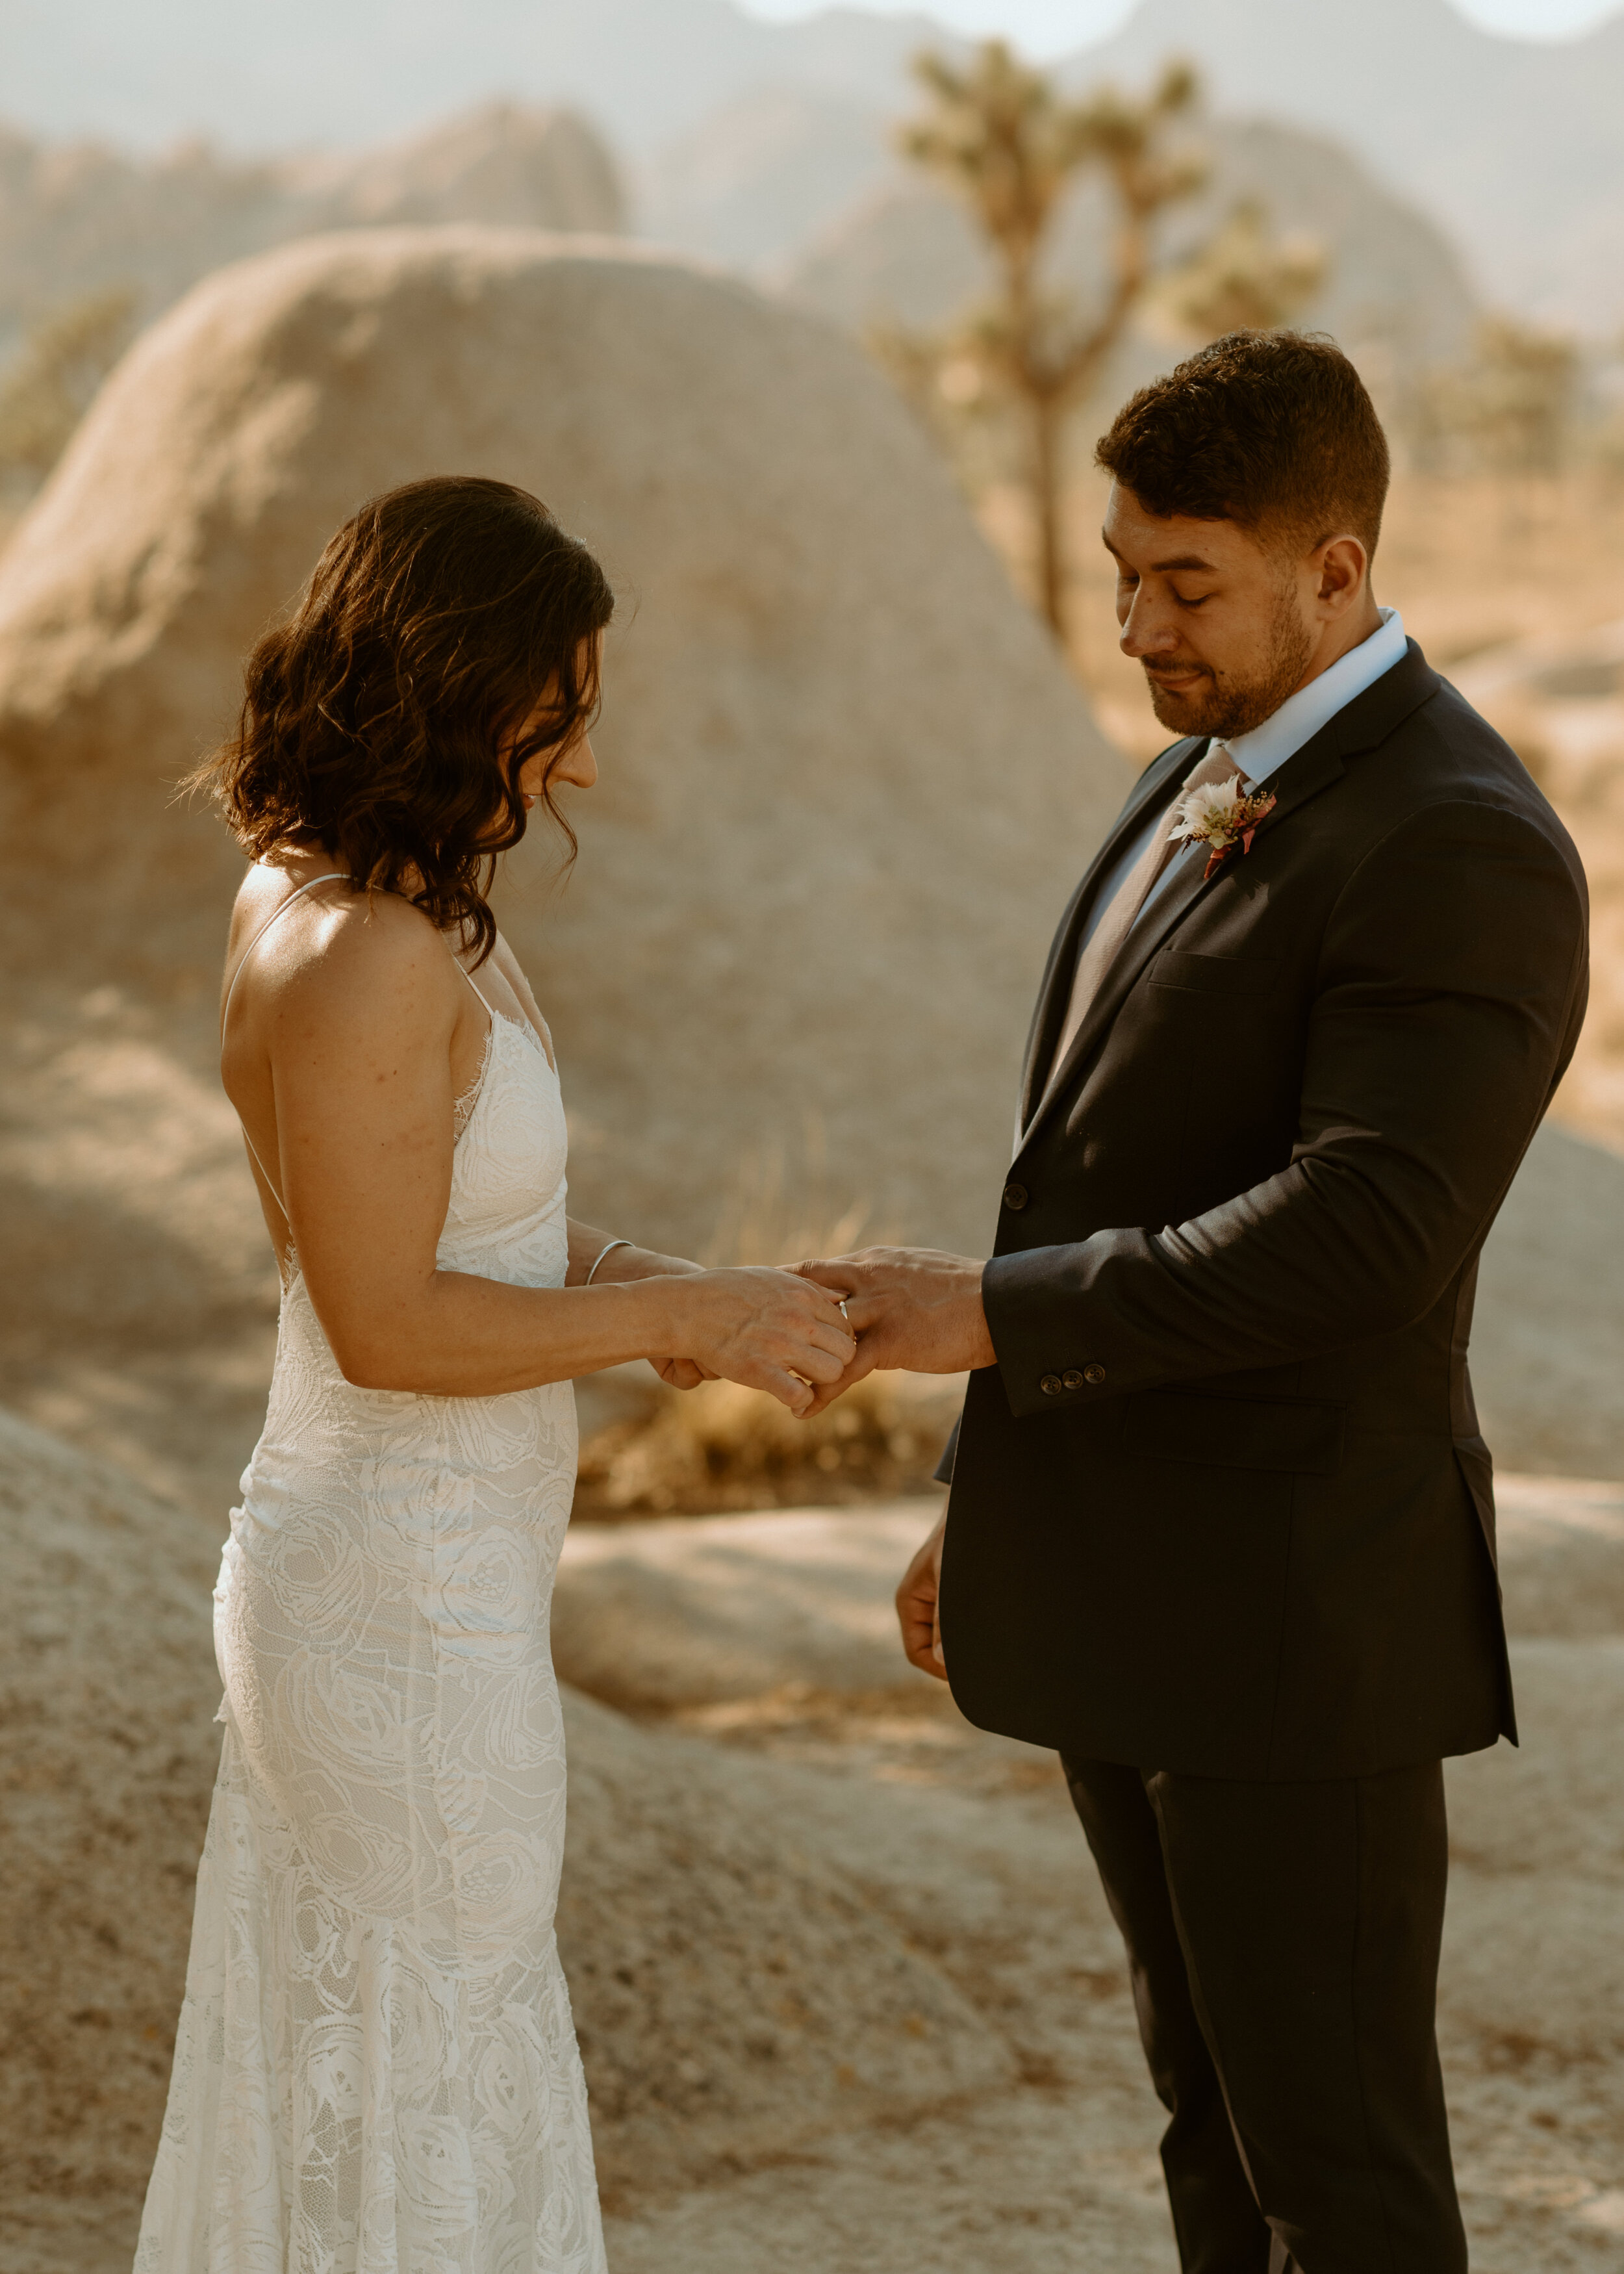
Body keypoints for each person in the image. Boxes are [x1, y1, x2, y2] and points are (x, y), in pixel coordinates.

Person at [798, 334, 1589, 2273]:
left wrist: (974, 1317)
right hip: (1131, 1575)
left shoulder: (1458, 838)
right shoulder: (1195, 776)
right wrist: (990, 1492)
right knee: (1207, 2123)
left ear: (1336, 569)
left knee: (1339, 2166)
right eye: (1120, 568)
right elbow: (1100, 1170)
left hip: (1297, 1614)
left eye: (1188, 582)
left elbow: (1359, 1236)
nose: (1137, 619)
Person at [134, 474, 854, 2274]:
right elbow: (389, 1321)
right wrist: (678, 1328)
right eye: (562, 710)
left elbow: (484, 1236)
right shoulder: (368, 952)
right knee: (429, 2063)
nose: (582, 767)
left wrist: (715, 1288)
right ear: (461, 686)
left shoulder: (349, 899)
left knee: (399, 2062)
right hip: (397, 1608)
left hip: (396, 1574)